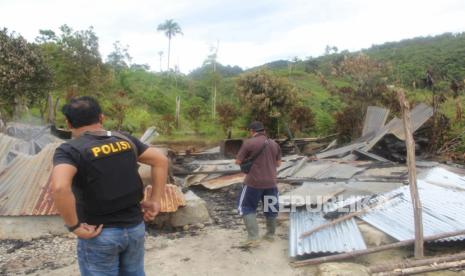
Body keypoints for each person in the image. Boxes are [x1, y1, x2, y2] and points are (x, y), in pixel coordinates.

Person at [51, 96, 168, 276]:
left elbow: (59, 188)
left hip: (99, 233)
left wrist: (74, 226)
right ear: (101, 117)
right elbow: (160, 160)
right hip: (135, 228)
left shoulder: (70, 150)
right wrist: (155, 201)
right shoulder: (125, 139)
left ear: (68, 123)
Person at [235, 121, 281, 247]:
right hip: (271, 182)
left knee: (245, 206)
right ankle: (270, 235)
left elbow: (238, 161)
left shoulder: (249, 143)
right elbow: (278, 164)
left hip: (253, 182)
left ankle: (253, 237)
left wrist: (248, 161)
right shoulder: (274, 144)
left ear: (252, 131)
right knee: (270, 207)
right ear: (264, 131)